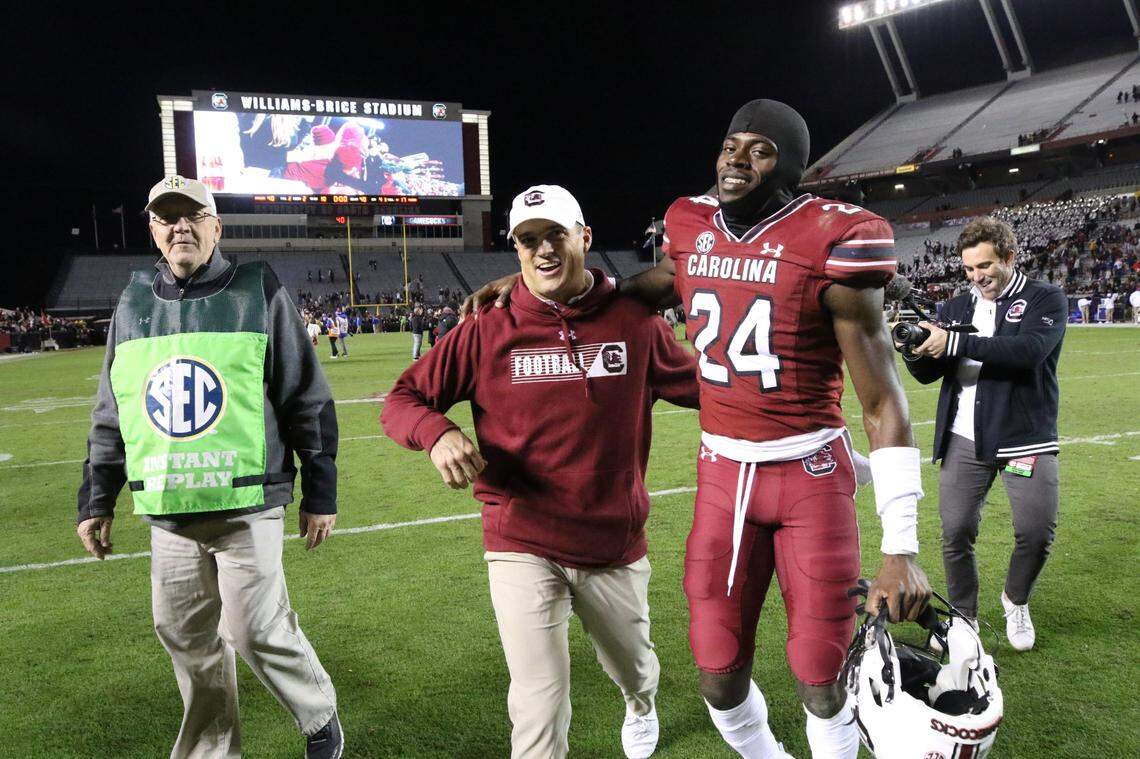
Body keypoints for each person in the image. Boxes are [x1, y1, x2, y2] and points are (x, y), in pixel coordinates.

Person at [462, 102, 931, 759]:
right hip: (724, 479)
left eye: (759, 150)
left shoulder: (834, 237)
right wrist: (545, 284)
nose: (736, 160)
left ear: (790, 168)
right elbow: (640, 291)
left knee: (821, 679)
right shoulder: (691, 223)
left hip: (809, 478)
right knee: (716, 672)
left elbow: (882, 400)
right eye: (730, 145)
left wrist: (901, 544)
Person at [384, 185, 700, 759]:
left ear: (584, 237)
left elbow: (712, 391)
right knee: (538, 697)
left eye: (556, 234)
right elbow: (402, 399)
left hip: (611, 540)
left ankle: (640, 702)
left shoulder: (636, 323)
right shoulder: (487, 328)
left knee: (633, 664)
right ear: (515, 250)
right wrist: (438, 433)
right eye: (528, 240)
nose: (543, 250)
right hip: (519, 536)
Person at [75, 175, 343, 758]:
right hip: (170, 512)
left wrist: (320, 491)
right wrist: (97, 499)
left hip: (247, 506)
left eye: (193, 216)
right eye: (167, 218)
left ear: (216, 226)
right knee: (188, 642)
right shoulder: (132, 303)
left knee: (254, 631)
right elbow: (112, 407)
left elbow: (305, 395)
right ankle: (211, 751)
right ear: (153, 230)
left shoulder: (258, 289)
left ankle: (319, 714)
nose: (180, 227)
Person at [897, 216, 1066, 652]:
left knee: (1035, 532)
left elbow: (1028, 352)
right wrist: (916, 350)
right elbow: (930, 373)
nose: (977, 277)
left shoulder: (1045, 297)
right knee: (955, 532)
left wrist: (954, 343)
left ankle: (1015, 599)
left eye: (985, 266)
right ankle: (963, 617)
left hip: (1024, 436)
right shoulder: (955, 307)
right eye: (969, 269)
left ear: (1010, 258)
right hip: (964, 437)